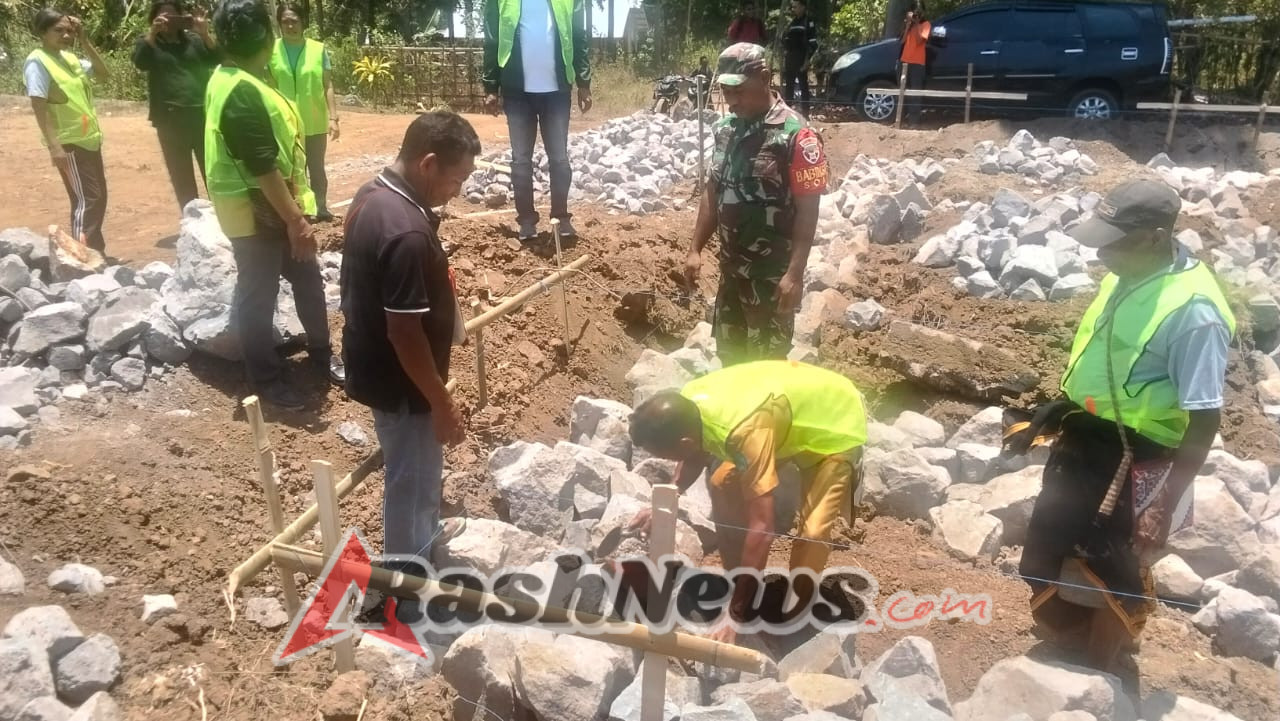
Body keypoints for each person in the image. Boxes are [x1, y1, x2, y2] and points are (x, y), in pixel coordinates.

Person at [1010, 179, 1235, 672]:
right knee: (1048, 544)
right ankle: (1069, 643)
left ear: (1155, 237)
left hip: (1138, 455)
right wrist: (1060, 408)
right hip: (1087, 439)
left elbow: (1205, 417)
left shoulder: (1195, 313)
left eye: (1113, 242)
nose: (1101, 253)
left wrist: (1165, 503)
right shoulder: (1127, 273)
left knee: (1116, 566)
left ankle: (1101, 673)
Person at [340, 111, 482, 623]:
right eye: (455, 179)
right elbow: (404, 333)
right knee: (412, 479)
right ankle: (402, 589)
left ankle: (419, 546)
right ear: (427, 163)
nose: (457, 191)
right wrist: (440, 402)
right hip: (403, 382)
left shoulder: (373, 196)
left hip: (379, 368)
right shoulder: (406, 232)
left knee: (415, 471)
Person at [627, 360, 868, 646]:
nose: (667, 461)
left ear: (685, 441)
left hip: (833, 425)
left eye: (665, 455)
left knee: (813, 533)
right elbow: (693, 455)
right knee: (721, 482)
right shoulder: (690, 402)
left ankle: (793, 616)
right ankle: (739, 583)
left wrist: (735, 616)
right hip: (782, 420)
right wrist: (667, 500)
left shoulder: (748, 432)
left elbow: (762, 528)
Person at [204, 0, 344, 411]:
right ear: (268, 37)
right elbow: (262, 166)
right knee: (258, 294)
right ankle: (266, 381)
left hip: (269, 204)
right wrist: (297, 221)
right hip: (257, 211)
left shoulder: (231, 78)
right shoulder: (241, 91)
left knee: (307, 279)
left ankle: (322, 354)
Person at [686, 43, 827, 368]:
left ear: (764, 78)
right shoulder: (726, 130)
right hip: (731, 275)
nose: (731, 101)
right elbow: (713, 190)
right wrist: (695, 249)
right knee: (730, 362)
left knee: (767, 369)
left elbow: (808, 210)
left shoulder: (798, 135)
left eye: (738, 91)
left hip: (771, 280)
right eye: (725, 92)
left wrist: (795, 274)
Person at [482, 0, 592, 242]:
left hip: (557, 92)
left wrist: (584, 83)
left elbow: (578, 37)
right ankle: (526, 221)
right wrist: (490, 86)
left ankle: (561, 218)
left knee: (559, 158)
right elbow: (491, 39)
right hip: (516, 91)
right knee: (521, 159)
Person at [25, 8, 110, 254]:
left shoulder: (70, 59)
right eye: (58, 30)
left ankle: (95, 252)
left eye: (70, 31)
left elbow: (103, 74)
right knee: (88, 200)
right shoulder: (38, 61)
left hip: (88, 139)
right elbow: (38, 105)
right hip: (69, 143)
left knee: (97, 197)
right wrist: (55, 147)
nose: (66, 35)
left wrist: (85, 40)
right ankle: (82, 257)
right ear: (42, 32)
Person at [132, 1, 218, 213]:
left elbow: (217, 58)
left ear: (181, 18)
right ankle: (192, 220)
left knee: (213, 171)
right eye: (163, 17)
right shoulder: (149, 43)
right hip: (169, 120)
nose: (168, 21)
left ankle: (223, 217)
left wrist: (204, 33)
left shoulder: (194, 41)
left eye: (173, 16)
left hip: (201, 115)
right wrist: (152, 35)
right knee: (181, 176)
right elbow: (140, 62)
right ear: (154, 19)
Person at [269, 2, 340, 222]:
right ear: (279, 24)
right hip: (284, 124)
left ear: (303, 23)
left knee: (316, 169)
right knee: (290, 170)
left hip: (314, 122)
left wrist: (333, 118)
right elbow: (268, 86)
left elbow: (327, 85)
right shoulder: (270, 51)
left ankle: (321, 208)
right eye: (285, 22)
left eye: (294, 21)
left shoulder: (318, 49)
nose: (290, 26)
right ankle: (295, 213)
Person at [779, 0, 818, 117]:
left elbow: (813, 44)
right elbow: (785, 40)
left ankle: (805, 114)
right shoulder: (792, 22)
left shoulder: (808, 21)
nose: (793, 9)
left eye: (795, 7)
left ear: (803, 7)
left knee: (803, 86)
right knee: (789, 87)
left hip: (801, 59)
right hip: (790, 59)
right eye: (792, 7)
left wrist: (807, 61)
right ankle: (787, 114)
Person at [899, 3, 931, 125]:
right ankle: (901, 119)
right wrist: (908, 24)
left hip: (917, 63)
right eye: (915, 13)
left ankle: (914, 121)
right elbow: (902, 41)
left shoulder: (926, 25)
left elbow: (919, 41)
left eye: (918, 13)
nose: (916, 15)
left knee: (915, 93)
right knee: (903, 91)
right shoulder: (910, 25)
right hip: (904, 61)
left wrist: (917, 24)